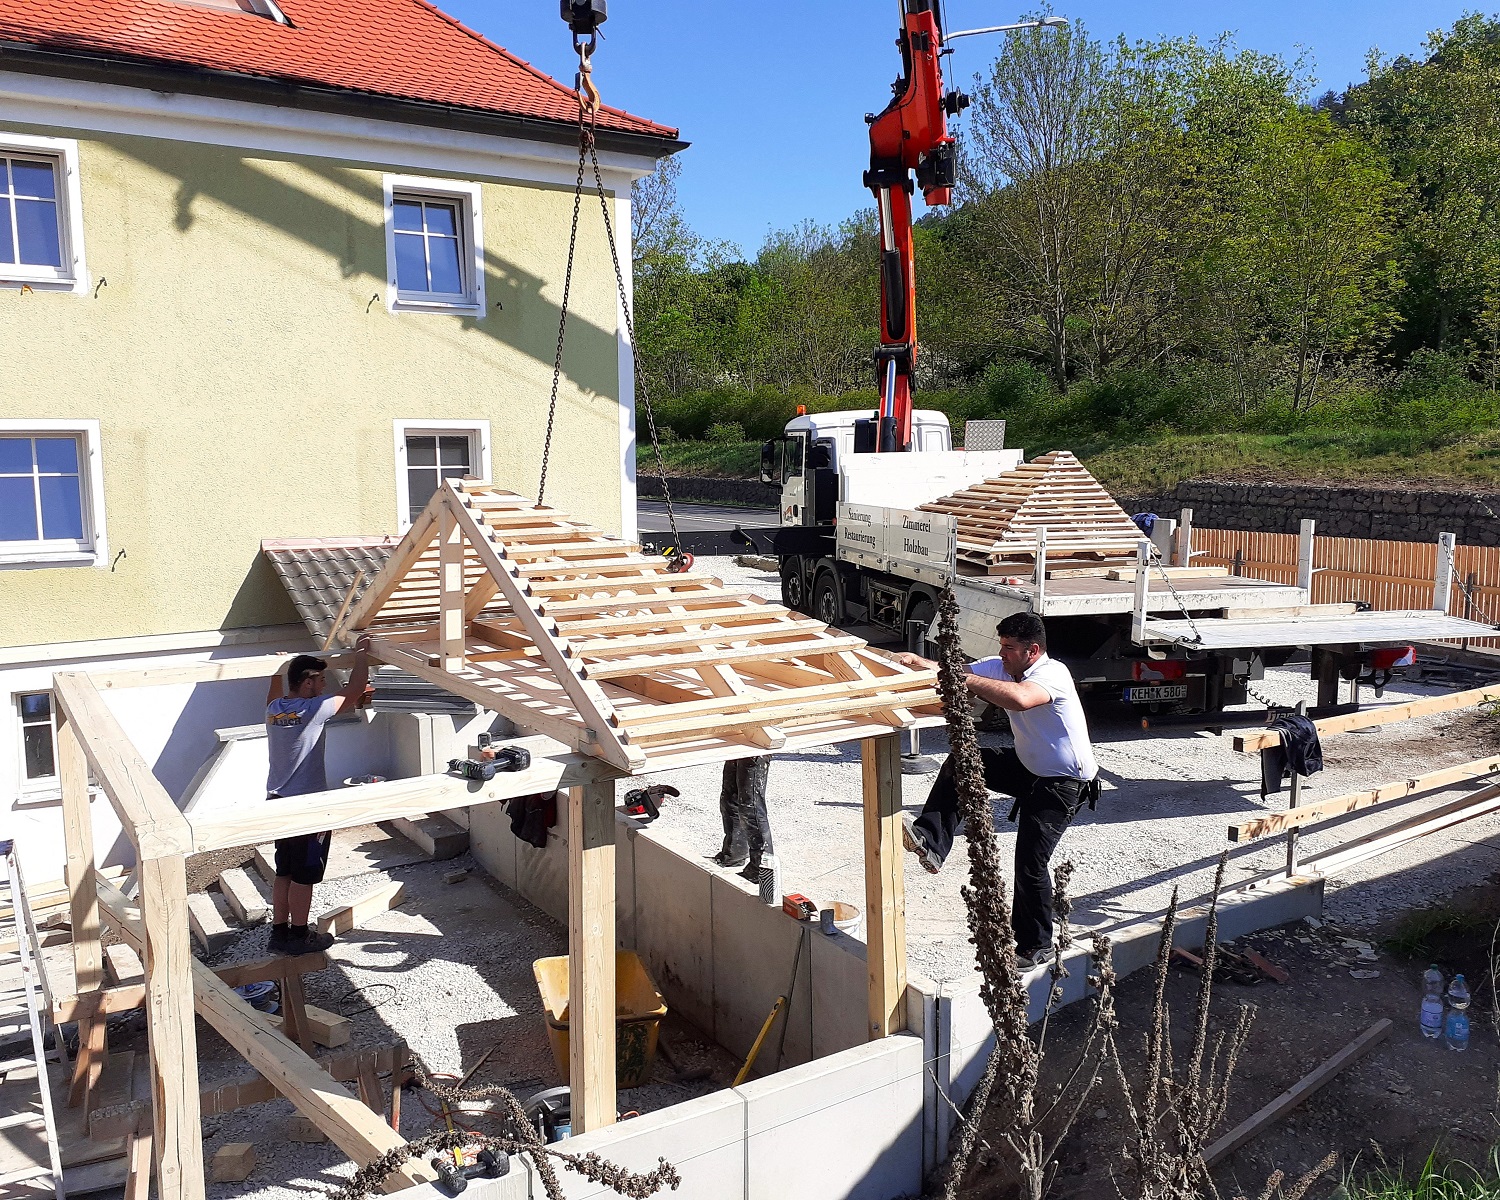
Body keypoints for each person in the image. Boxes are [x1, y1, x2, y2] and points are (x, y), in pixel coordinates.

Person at [896, 611, 1098, 968]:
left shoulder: (1053, 674)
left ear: (1032, 650)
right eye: (1001, 647)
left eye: (1009, 648)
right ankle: (931, 841)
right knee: (962, 762)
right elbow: (960, 670)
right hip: (1029, 767)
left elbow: (1019, 699)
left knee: (1030, 863)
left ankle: (1037, 945)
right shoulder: (1005, 666)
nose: (1002, 654)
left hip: (1062, 784)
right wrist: (918, 663)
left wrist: (960, 677)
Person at [264, 636, 373, 955]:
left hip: (277, 801)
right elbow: (353, 693)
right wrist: (361, 657)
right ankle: (299, 935)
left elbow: (273, 690)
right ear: (308, 683)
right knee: (304, 875)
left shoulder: (275, 709)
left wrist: (275, 669)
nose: (325, 684)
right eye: (321, 679)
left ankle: (280, 933)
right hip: (307, 805)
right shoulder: (313, 709)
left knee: (284, 870)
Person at [711, 755, 774, 882]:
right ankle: (734, 853)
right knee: (730, 798)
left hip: (756, 746)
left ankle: (761, 869)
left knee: (751, 806)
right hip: (737, 743)